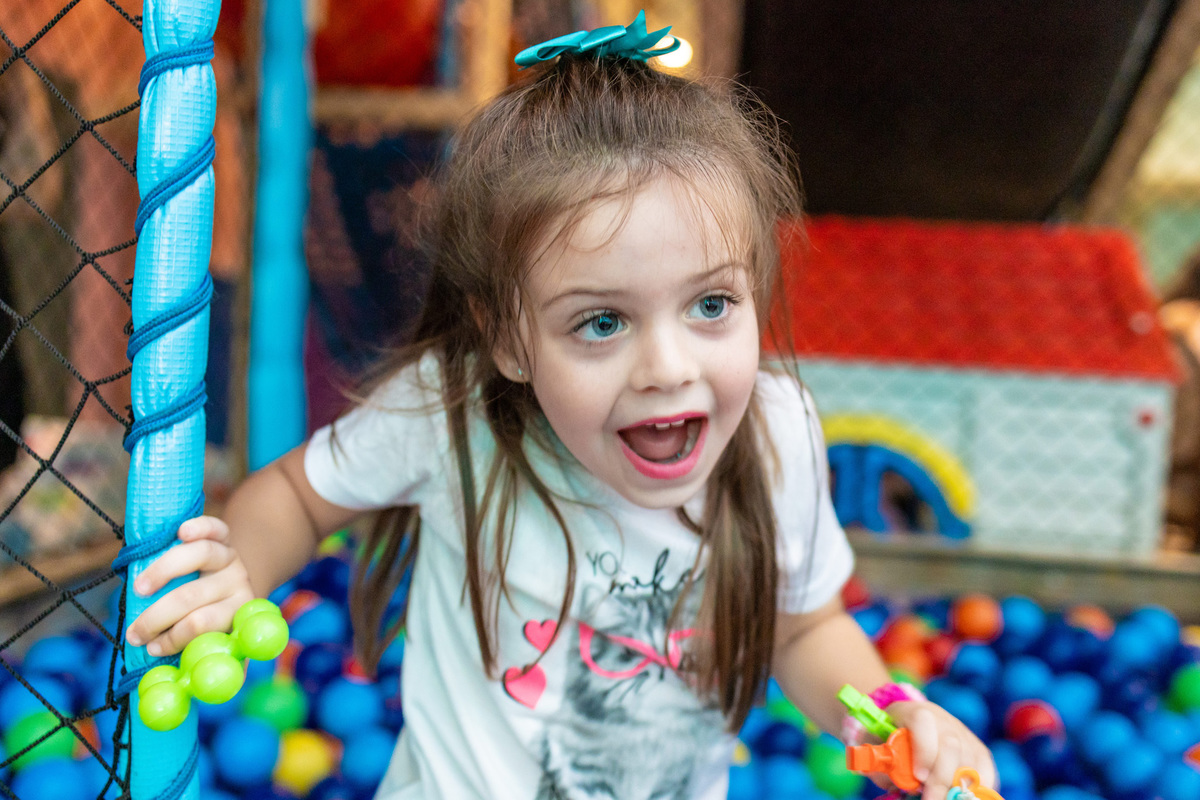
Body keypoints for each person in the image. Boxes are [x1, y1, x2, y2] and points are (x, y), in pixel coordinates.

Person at [125, 13, 994, 799]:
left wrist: (885, 711)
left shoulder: (775, 435)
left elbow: (803, 630)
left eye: (711, 305)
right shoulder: (453, 412)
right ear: (508, 339)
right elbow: (301, 493)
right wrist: (237, 573)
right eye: (602, 322)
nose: (666, 367)